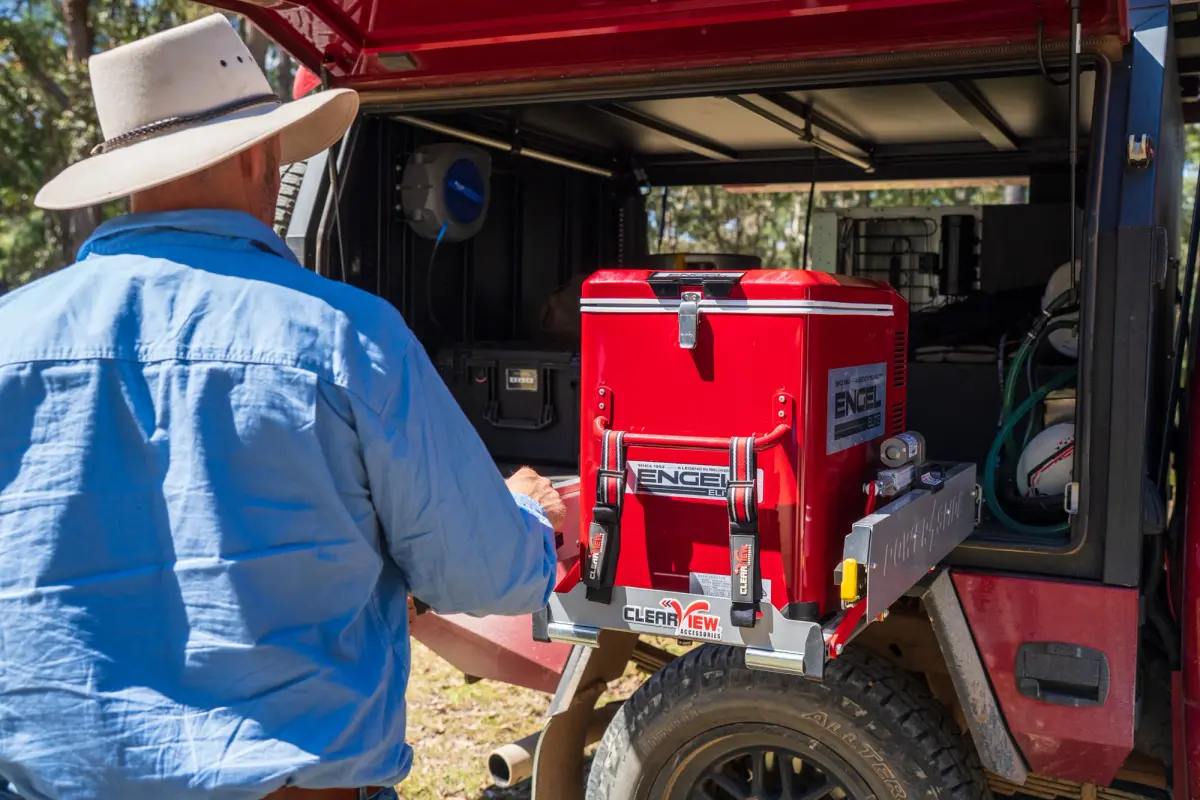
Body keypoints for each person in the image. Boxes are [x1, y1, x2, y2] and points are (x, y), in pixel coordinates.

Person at [0, 14, 564, 800]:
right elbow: (488, 576)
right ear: (261, 155)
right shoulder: (349, 338)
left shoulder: (10, 336)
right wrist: (531, 520)